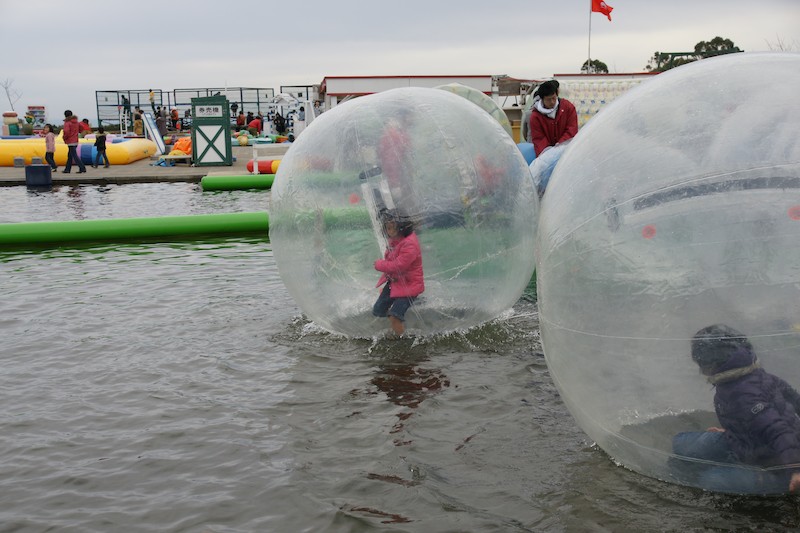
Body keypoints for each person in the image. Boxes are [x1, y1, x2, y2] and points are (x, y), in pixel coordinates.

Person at [671, 324, 800, 493]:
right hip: (745, 442)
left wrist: (795, 469)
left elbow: (779, 431)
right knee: (680, 442)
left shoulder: (744, 394)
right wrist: (735, 430)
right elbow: (795, 399)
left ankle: (769, 479)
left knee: (711, 480)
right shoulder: (750, 375)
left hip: (775, 465)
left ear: (712, 364)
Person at [372, 210, 424, 336]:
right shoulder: (395, 240)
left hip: (409, 286)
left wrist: (380, 265)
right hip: (395, 283)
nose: (389, 231)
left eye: (392, 228)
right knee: (378, 310)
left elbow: (399, 266)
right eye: (387, 228)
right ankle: (398, 317)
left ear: (402, 226)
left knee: (394, 316)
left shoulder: (410, 244)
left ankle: (401, 338)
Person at [528, 79, 578, 157]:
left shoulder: (568, 107)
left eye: (553, 98)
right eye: (548, 100)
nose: (552, 102)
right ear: (542, 99)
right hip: (547, 155)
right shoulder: (535, 116)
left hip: (566, 152)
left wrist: (560, 146)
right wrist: (549, 153)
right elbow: (539, 139)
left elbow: (572, 130)